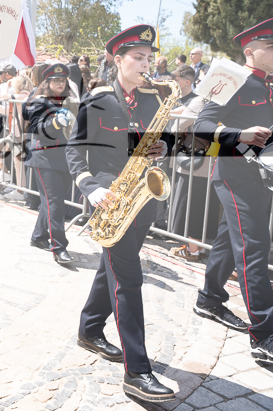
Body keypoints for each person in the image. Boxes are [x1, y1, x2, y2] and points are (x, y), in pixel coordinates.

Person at [66, 25, 175, 402]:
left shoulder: (154, 99)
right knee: (128, 279)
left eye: (149, 58)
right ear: (118, 60)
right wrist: (90, 186)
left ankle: (89, 329)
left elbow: (157, 139)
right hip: (110, 199)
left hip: (142, 199)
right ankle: (137, 371)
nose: (146, 64)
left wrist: (163, 148)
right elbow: (74, 150)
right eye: (138, 57)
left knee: (109, 268)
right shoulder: (97, 99)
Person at [192, 18, 273, 357]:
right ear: (250, 51)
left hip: (260, 176)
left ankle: (209, 299)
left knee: (229, 240)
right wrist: (239, 135)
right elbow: (201, 125)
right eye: (271, 47)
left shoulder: (267, 85)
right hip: (236, 174)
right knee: (254, 249)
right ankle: (264, 335)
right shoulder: (231, 78)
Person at [23, 63, 77, 264]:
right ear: (48, 82)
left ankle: (38, 236)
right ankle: (59, 247)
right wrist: (55, 123)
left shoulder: (69, 101)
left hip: (65, 157)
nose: (60, 84)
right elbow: (37, 128)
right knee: (55, 203)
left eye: (63, 80)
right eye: (56, 81)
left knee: (53, 201)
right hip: (45, 157)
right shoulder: (40, 102)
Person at [167, 66, 220, 262]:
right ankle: (201, 247)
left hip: (194, 163)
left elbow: (177, 127)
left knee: (191, 206)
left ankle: (193, 250)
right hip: (215, 163)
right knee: (206, 206)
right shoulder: (225, 103)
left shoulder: (200, 101)